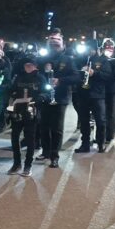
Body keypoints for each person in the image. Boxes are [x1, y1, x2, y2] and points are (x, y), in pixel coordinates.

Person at [36, 28, 80, 168]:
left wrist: (60, 80)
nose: (54, 43)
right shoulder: (43, 58)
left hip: (60, 97)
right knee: (43, 127)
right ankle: (46, 151)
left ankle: (54, 155)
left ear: (62, 42)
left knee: (56, 128)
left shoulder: (67, 59)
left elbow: (76, 77)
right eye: (52, 40)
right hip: (44, 96)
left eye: (57, 40)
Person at [7, 56, 48, 177]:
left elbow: (47, 92)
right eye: (26, 65)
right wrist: (9, 92)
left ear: (35, 66)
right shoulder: (19, 77)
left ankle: (28, 165)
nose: (28, 67)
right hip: (18, 110)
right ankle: (16, 163)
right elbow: (12, 89)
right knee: (14, 136)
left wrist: (41, 97)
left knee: (30, 138)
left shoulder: (40, 78)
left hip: (32, 111)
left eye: (30, 65)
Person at [74, 41, 112, 153]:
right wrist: (80, 72)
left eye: (91, 49)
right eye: (87, 49)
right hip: (83, 94)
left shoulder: (103, 60)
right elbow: (74, 74)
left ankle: (101, 143)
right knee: (84, 121)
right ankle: (85, 144)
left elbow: (108, 76)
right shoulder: (80, 60)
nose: (88, 51)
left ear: (95, 49)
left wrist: (94, 73)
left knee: (100, 120)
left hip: (97, 95)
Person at [103, 39, 115, 142]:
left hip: (114, 89)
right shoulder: (101, 59)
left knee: (112, 112)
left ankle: (111, 133)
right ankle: (104, 133)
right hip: (103, 89)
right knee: (104, 113)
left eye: (110, 46)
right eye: (106, 46)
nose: (108, 47)